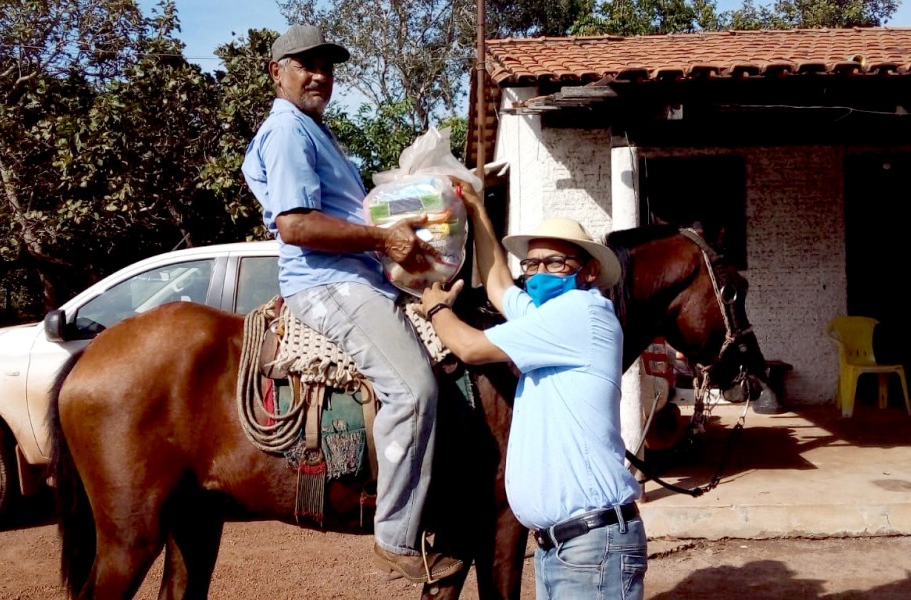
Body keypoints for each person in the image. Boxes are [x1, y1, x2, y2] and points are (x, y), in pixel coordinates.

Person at [241, 25, 463, 584]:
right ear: (277, 71)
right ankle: (394, 537)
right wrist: (386, 240)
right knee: (412, 390)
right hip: (330, 283)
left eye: (327, 66)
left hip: (358, 276)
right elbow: (296, 225)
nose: (320, 75)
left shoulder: (314, 131)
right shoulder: (289, 131)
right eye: (305, 64)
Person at [420, 180, 647, 599]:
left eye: (555, 263)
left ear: (589, 270)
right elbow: (499, 285)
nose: (539, 274)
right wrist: (475, 208)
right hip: (562, 548)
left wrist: (434, 307)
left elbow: (469, 347)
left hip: (589, 547)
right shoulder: (547, 316)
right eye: (533, 265)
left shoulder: (579, 313)